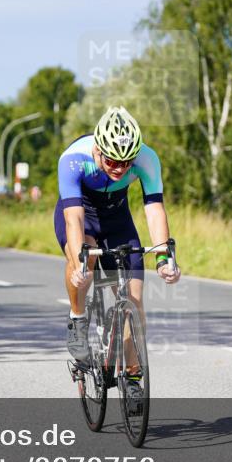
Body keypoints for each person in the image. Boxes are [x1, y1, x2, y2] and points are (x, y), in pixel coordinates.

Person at [55, 106, 181, 399]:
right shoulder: (74, 160)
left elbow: (154, 209)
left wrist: (164, 257)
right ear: (98, 149)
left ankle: (133, 379)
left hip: (117, 221)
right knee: (86, 260)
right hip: (81, 215)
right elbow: (72, 218)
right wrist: (79, 262)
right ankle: (77, 317)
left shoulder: (147, 159)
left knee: (134, 305)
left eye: (126, 162)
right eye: (112, 160)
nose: (120, 169)